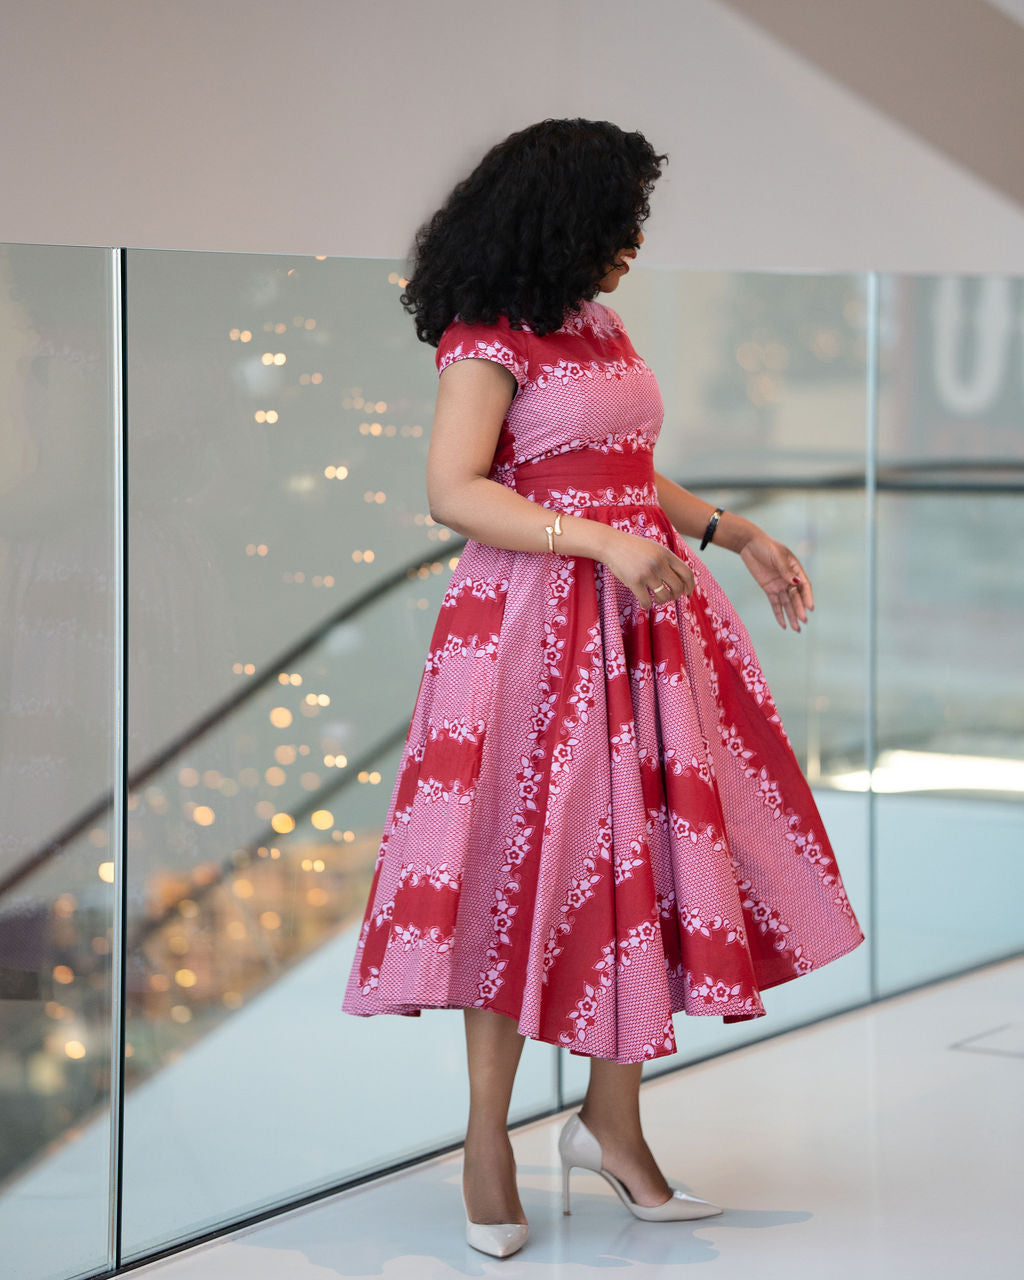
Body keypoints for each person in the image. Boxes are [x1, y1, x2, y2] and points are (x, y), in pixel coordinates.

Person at [342, 117, 865, 1259]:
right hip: (530, 630)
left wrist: (730, 530)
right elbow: (452, 490)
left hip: (645, 620)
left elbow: (625, 460)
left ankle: (612, 1125)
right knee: (523, 864)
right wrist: (596, 544)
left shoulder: (597, 326)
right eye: (614, 225)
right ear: (555, 221)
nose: (629, 247)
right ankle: (488, 1138)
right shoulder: (485, 339)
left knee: (647, 859)